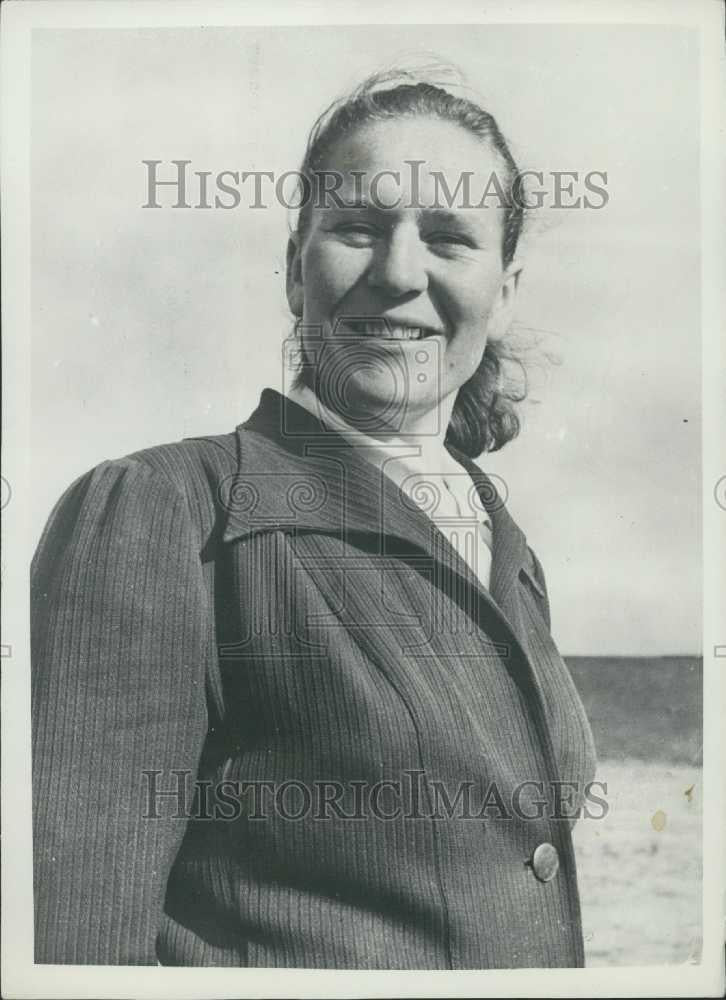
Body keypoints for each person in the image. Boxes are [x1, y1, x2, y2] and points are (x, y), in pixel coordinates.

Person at [31, 67, 597, 969]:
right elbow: (72, 944)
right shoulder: (164, 511)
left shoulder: (503, 541)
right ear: (297, 271)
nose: (399, 272)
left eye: (449, 238)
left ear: (506, 290)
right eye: (357, 230)